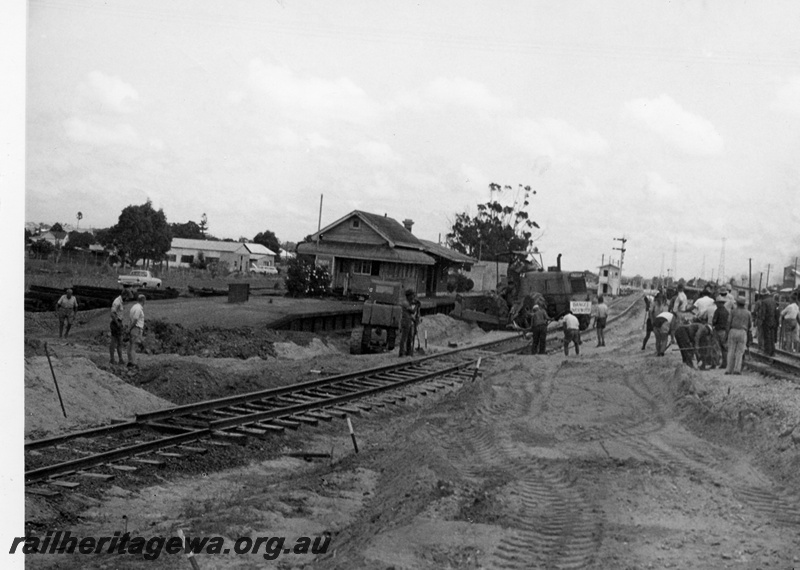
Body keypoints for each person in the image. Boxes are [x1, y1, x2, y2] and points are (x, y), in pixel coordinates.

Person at [725, 296, 752, 375]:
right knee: (740, 352)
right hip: (743, 331)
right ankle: (737, 369)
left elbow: (728, 323)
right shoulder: (748, 313)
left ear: (737, 303)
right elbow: (750, 325)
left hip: (733, 330)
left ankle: (728, 369)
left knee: (731, 350)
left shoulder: (733, 311)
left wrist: (726, 334)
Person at [109, 288, 131, 365]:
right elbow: (112, 313)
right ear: (125, 295)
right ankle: (114, 359)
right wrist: (117, 323)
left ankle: (118, 359)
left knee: (118, 341)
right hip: (116, 323)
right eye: (127, 297)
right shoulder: (117, 302)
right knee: (116, 341)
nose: (128, 299)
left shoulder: (120, 302)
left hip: (118, 322)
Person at [127, 294, 146, 368]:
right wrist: (130, 328)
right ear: (143, 300)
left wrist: (129, 328)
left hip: (133, 328)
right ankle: (133, 363)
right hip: (136, 328)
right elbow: (135, 319)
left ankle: (130, 361)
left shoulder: (133, 307)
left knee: (130, 345)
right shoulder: (138, 309)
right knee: (133, 346)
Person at [711, 296, 730, 368]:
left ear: (719, 303)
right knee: (724, 348)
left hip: (717, 330)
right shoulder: (726, 311)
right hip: (724, 331)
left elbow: (714, 321)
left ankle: (714, 363)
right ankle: (725, 363)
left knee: (715, 347)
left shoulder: (717, 311)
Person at [398, 289, 416, 357]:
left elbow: (409, 314)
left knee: (409, 338)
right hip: (406, 322)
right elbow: (412, 311)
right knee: (404, 338)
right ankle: (401, 352)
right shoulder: (406, 303)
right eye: (412, 295)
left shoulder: (408, 303)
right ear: (409, 296)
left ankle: (408, 352)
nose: (413, 297)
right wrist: (415, 305)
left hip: (409, 321)